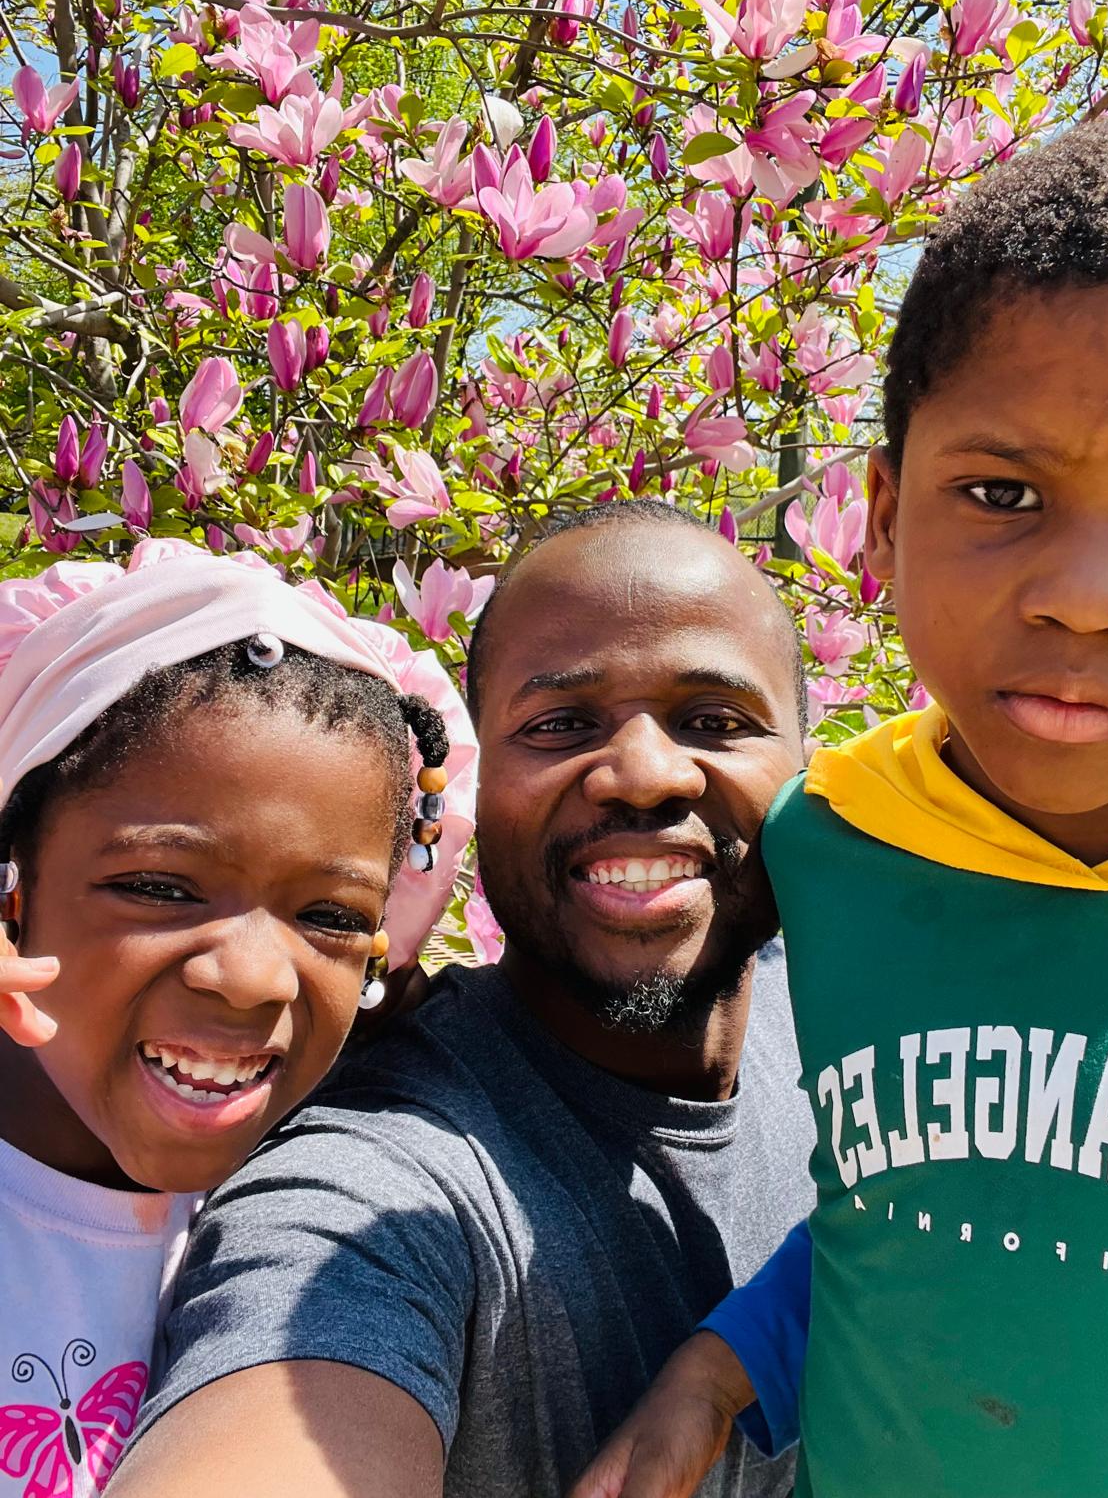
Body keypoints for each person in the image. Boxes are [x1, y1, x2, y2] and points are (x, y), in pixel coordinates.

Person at [569, 108, 1108, 1498]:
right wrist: (720, 1363)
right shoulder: (830, 840)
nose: (1089, 596)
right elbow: (909, 1212)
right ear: (882, 512)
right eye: (1002, 490)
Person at [108, 502, 818, 1498]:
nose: (644, 776)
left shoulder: (863, 1033)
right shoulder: (382, 1178)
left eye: (715, 721)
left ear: (813, 773)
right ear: (474, 787)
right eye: (561, 724)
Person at [0, 538, 475, 1498]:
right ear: (14, 888)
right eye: (158, 887)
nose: (254, 979)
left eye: (332, 916)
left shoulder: (333, 1206)